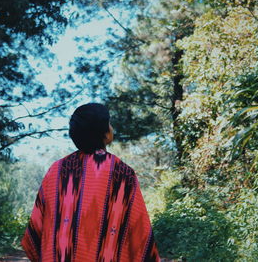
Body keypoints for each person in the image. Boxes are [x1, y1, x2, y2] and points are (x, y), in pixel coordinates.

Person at [21, 103, 160, 262]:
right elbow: (139, 234)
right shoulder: (122, 173)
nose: (111, 127)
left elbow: (34, 235)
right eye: (109, 123)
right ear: (104, 132)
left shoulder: (56, 171)